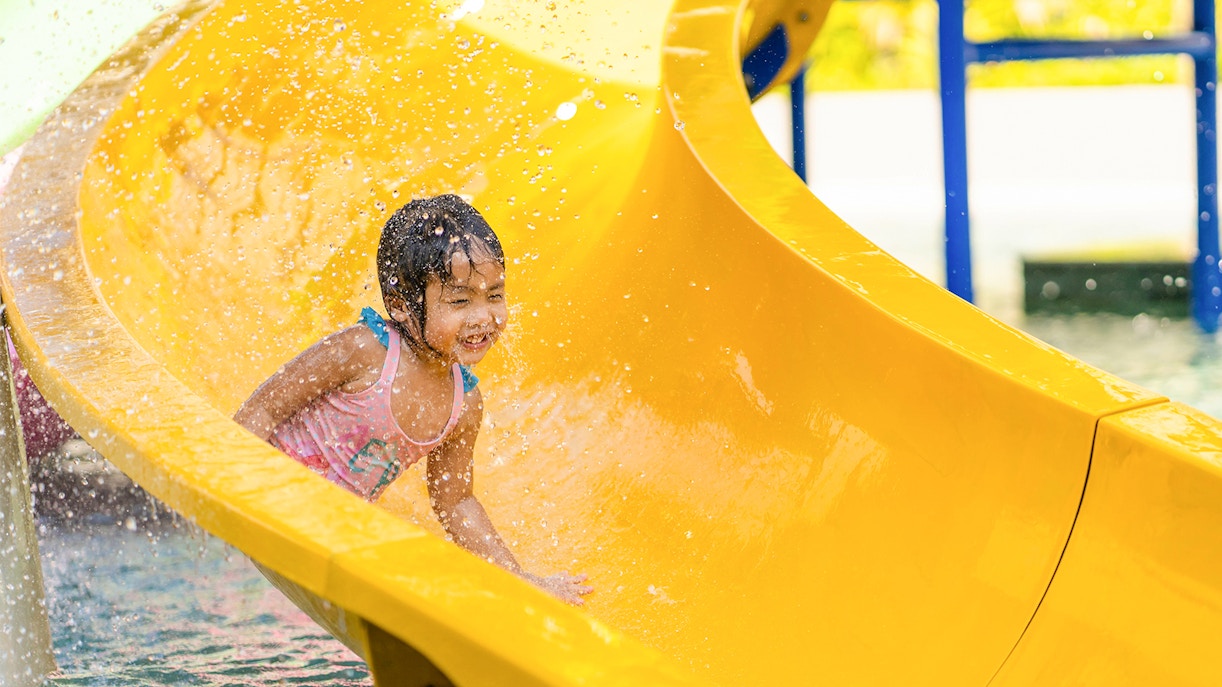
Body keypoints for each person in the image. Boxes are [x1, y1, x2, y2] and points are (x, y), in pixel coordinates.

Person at [234, 194, 591, 606]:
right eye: (460, 300)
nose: (483, 317)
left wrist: (518, 580)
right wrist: (232, 485)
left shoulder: (464, 403)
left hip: (328, 533)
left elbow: (456, 502)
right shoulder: (364, 351)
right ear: (402, 304)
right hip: (267, 498)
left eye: (494, 295)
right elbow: (264, 408)